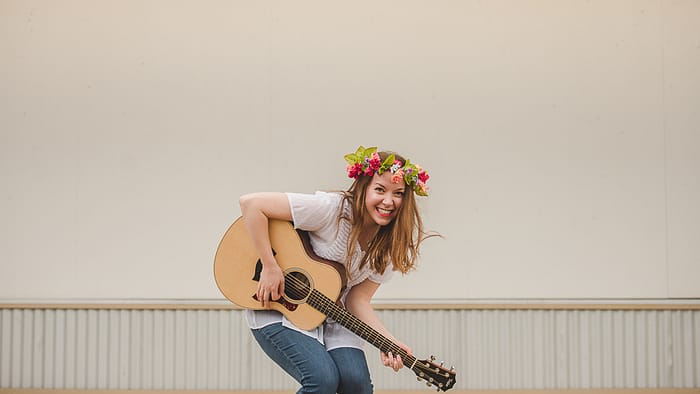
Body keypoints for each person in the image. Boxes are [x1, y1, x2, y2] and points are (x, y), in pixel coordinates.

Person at [238, 145, 432, 394]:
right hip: (280, 305)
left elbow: (357, 300)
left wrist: (389, 341)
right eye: (380, 190)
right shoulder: (332, 209)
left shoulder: (388, 246)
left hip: (331, 314)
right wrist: (270, 266)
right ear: (363, 189)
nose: (388, 201)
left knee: (357, 386)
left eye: (398, 193)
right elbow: (252, 204)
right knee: (322, 380)